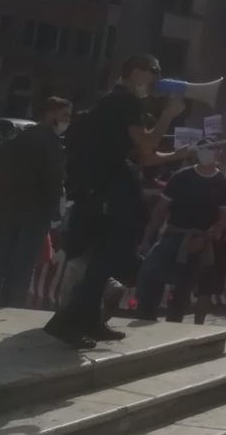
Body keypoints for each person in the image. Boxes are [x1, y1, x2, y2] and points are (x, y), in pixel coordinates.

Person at [45, 55, 188, 348]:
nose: (157, 79)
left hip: (103, 192)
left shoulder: (114, 102)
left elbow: (144, 156)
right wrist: (168, 115)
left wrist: (182, 155)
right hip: (109, 194)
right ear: (136, 72)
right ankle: (67, 322)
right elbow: (148, 144)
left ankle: (90, 320)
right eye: (154, 72)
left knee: (105, 260)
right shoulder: (125, 102)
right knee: (105, 260)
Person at [134, 142, 226, 324]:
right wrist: (147, 238)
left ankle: (180, 325)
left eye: (212, 148)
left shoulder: (224, 184)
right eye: (203, 148)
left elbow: (225, 219)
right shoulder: (181, 177)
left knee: (188, 286)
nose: (207, 153)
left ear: (219, 152)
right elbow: (160, 210)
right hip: (173, 235)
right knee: (150, 270)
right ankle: (145, 316)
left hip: (202, 240)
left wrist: (204, 238)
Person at [0, 96, 69, 307]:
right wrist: (55, 212)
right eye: (65, 115)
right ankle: (13, 307)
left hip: (5, 208)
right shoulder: (50, 144)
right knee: (23, 263)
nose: (67, 120)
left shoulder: (12, 140)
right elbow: (53, 179)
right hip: (34, 211)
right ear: (50, 114)